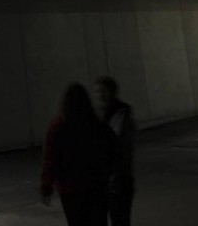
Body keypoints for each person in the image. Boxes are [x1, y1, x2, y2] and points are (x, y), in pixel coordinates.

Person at [40, 82, 117, 226]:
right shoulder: (97, 125)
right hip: (96, 185)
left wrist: (46, 188)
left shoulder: (58, 127)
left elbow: (50, 159)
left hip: (70, 189)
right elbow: (112, 151)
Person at [93, 76, 136, 226]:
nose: (100, 95)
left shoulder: (121, 114)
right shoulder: (100, 114)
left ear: (112, 92)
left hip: (118, 179)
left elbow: (121, 148)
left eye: (103, 91)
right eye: (98, 91)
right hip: (105, 178)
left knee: (119, 218)